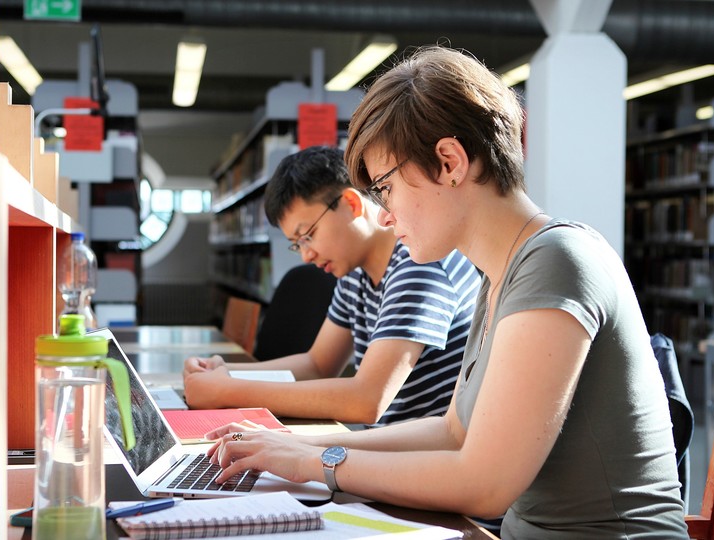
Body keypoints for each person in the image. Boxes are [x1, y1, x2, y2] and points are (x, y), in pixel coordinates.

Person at [202, 47, 689, 538]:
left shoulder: (557, 259)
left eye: (386, 189)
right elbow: (452, 431)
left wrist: (318, 462)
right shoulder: (499, 273)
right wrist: (290, 447)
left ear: (449, 161)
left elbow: (485, 484)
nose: (386, 217)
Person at [183, 145, 481, 426]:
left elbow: (367, 401)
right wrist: (223, 373)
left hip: (428, 460)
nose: (306, 254)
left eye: (308, 234)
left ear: (351, 204)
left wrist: (227, 392)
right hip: (389, 448)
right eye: (297, 244)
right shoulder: (354, 273)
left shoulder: (419, 264)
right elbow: (317, 365)